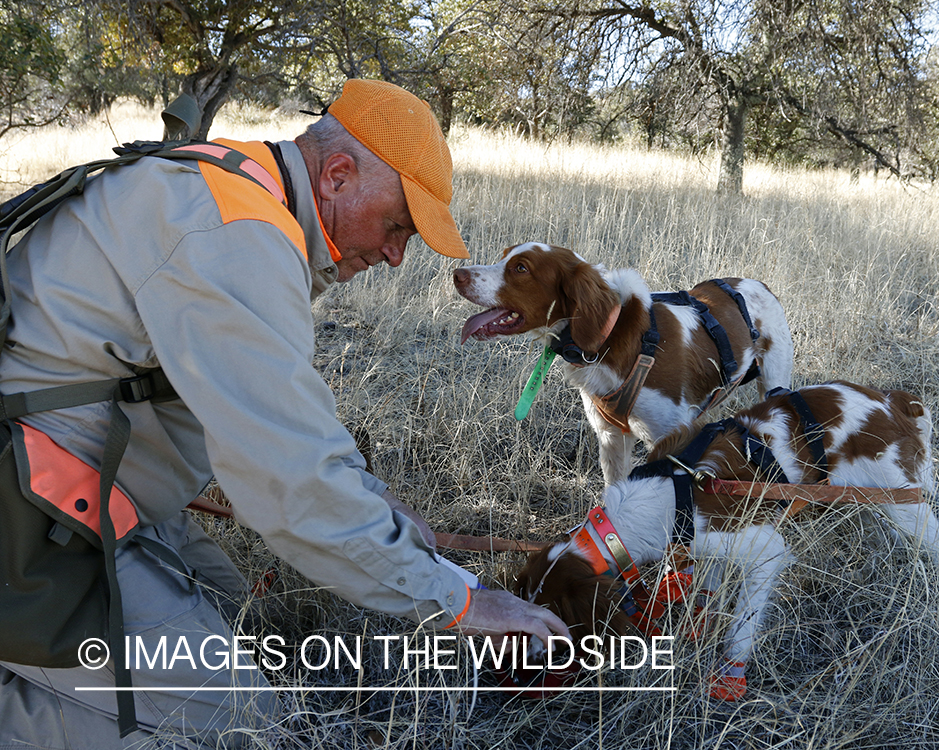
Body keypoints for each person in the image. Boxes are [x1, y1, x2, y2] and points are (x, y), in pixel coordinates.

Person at [0, 79, 568, 748]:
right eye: (396, 227)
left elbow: (281, 424)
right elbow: (292, 481)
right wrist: (464, 602)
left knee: (233, 612)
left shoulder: (231, 183)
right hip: (31, 523)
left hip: (87, 495)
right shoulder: (237, 234)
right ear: (336, 175)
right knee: (235, 723)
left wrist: (374, 508)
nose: (394, 255)